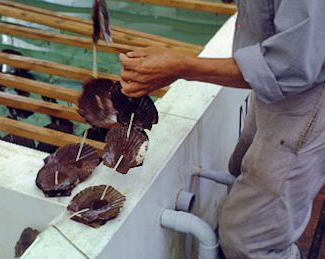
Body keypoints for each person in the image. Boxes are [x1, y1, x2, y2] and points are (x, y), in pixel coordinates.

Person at [119, 1, 325, 258]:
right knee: (240, 166)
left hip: (309, 93)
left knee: (248, 240)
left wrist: (183, 67)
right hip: (278, 88)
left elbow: (290, 66)